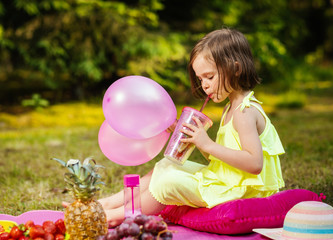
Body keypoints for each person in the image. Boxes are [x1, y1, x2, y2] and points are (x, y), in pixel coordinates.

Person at [65, 28, 285, 227]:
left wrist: (206, 143)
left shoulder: (244, 112)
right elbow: (224, 163)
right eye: (200, 78)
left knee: (168, 183)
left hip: (244, 191)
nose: (205, 84)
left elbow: (254, 164)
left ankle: (116, 216)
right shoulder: (231, 108)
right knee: (164, 166)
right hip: (229, 181)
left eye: (209, 76)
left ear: (235, 69)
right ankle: (106, 203)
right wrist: (195, 140)